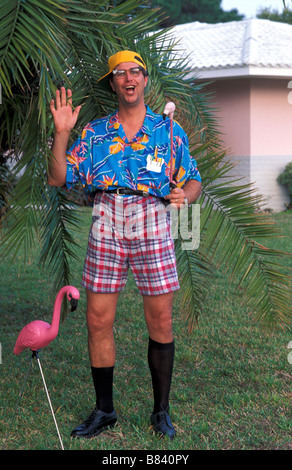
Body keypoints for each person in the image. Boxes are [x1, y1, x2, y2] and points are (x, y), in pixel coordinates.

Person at [48, 50, 202, 440]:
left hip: (152, 219)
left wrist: (187, 194)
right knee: (98, 320)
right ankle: (104, 410)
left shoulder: (168, 131)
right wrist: (62, 132)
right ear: (113, 83)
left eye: (136, 71)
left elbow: (194, 179)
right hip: (107, 218)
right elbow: (57, 177)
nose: (129, 78)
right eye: (120, 73)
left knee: (161, 320)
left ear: (145, 79)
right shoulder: (95, 133)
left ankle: (161, 412)